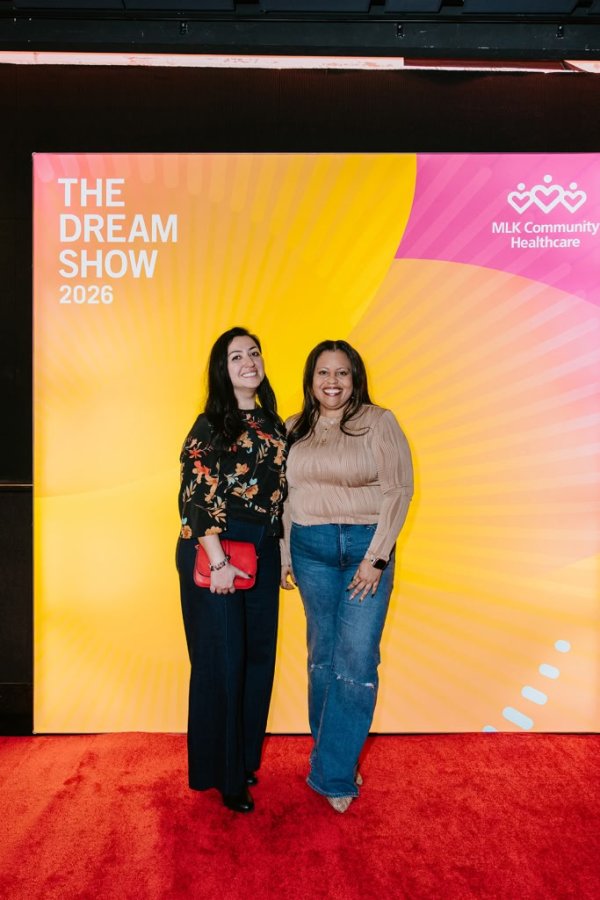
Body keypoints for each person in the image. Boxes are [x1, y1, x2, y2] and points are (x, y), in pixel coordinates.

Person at [280, 339, 413, 813]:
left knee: (355, 662)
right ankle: (332, 752)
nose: (331, 382)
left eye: (341, 373)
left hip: (364, 553)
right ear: (310, 380)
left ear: (355, 378)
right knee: (322, 656)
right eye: (323, 373)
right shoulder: (294, 428)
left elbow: (399, 490)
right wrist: (284, 554)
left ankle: (333, 772)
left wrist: (376, 558)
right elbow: (287, 496)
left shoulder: (380, 422)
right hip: (309, 552)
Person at [177, 326, 286, 813]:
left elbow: (279, 496)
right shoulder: (210, 424)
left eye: (254, 353)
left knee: (258, 659)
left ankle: (241, 760)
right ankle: (223, 777)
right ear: (222, 370)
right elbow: (196, 496)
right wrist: (218, 561)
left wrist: (281, 553)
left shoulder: (274, 422)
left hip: (261, 552)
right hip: (215, 554)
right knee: (222, 663)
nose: (248, 361)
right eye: (235, 356)